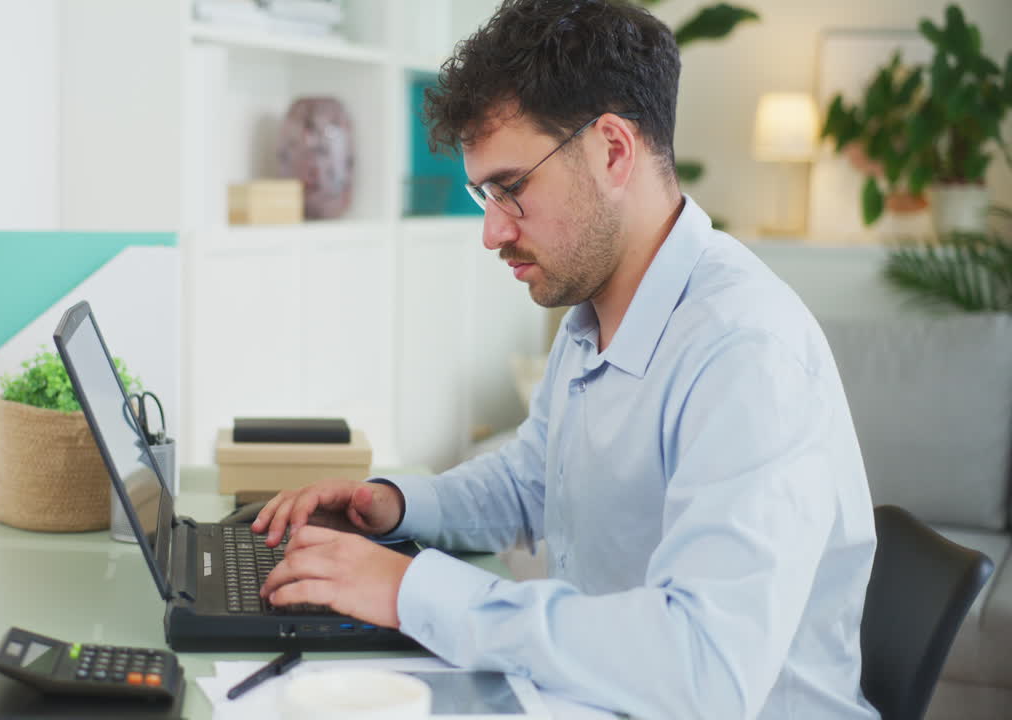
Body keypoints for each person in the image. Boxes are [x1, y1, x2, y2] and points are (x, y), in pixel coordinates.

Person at [254, 1, 879, 718]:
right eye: (485, 194)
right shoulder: (594, 314)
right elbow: (532, 483)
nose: (492, 232)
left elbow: (703, 667)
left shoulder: (746, 353)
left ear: (613, 150)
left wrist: (409, 591)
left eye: (512, 189)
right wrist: (392, 505)